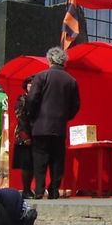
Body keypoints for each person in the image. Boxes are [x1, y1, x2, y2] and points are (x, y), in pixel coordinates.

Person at [27, 47, 80, 199]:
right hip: (59, 126)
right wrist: (65, 116)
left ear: (49, 60)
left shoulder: (41, 76)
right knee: (57, 159)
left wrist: (32, 116)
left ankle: (39, 190)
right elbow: (76, 105)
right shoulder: (71, 80)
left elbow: (32, 99)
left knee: (40, 158)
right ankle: (54, 190)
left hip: (40, 125)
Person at [13, 76, 35, 198]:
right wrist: (25, 136)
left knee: (32, 163)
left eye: (33, 84)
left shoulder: (37, 99)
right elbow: (20, 118)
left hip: (35, 133)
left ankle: (29, 189)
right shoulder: (22, 99)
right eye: (29, 84)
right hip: (23, 134)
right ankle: (26, 189)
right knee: (26, 163)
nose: (31, 86)